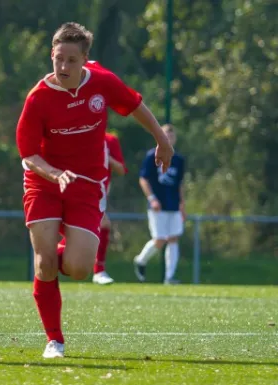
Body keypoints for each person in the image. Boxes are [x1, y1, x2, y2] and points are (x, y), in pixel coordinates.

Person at [15, 22, 174, 359]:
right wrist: (54, 173)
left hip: (87, 184)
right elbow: (28, 154)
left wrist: (161, 139)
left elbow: (134, 106)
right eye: (58, 59)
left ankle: (54, 258)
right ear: (51, 56)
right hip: (44, 182)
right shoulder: (38, 98)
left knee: (79, 268)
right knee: (44, 264)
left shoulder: (102, 82)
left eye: (72, 60)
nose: (63, 67)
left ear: (85, 59)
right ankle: (54, 340)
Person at [56, 132, 128, 285]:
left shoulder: (110, 140)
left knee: (84, 232)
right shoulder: (76, 134)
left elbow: (121, 169)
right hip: (80, 191)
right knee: (103, 224)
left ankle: (52, 257)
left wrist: (105, 156)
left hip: (99, 194)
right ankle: (98, 271)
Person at [133, 124, 185, 284]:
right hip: (158, 205)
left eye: (171, 136)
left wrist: (182, 204)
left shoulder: (179, 159)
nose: (169, 138)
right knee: (160, 240)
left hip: (174, 204)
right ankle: (140, 260)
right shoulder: (152, 156)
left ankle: (169, 278)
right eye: (165, 135)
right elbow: (143, 179)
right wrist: (152, 198)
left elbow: (180, 184)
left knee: (174, 238)